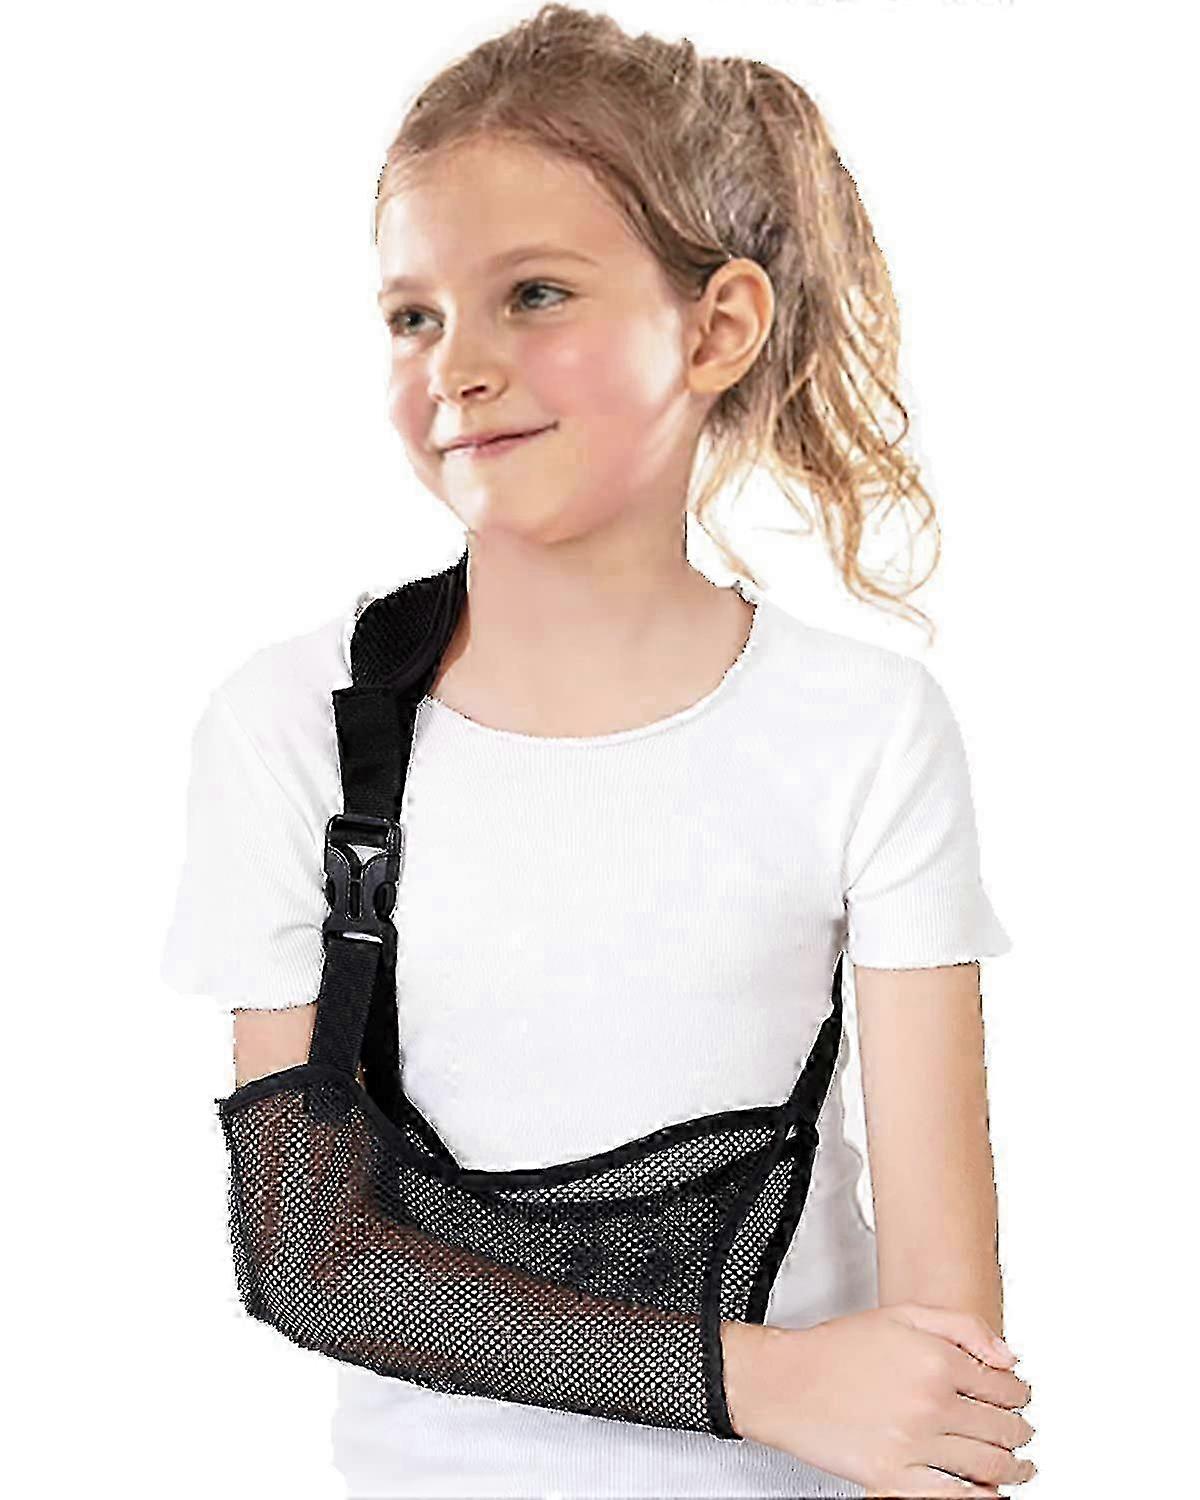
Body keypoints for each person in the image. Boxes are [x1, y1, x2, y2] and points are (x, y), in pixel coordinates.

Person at [159, 6, 1036, 1497]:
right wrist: (754, 1380)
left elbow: (946, 1354)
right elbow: (308, 1257)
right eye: (414, 315)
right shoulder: (298, 724)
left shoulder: (866, 729)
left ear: (717, 327)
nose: (458, 366)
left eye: (535, 295)